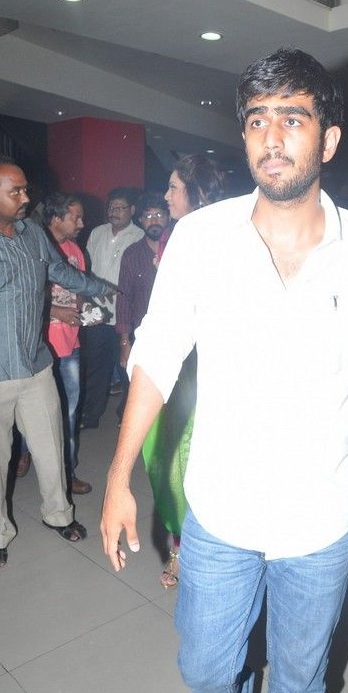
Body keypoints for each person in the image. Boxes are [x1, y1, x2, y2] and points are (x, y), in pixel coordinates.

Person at [101, 48, 348, 693]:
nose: (272, 137)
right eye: (257, 120)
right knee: (205, 667)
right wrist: (118, 476)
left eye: (292, 118)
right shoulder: (200, 239)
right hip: (221, 509)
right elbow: (157, 355)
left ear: (328, 140)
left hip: (322, 516)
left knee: (301, 684)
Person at [0, 156, 113, 569]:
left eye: (25, 189)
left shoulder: (33, 232)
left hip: (35, 367)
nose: (25, 198)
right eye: (15, 191)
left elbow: (60, 271)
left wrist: (101, 286)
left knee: (51, 447)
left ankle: (58, 515)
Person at [141, 156, 226, 587]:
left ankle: (196, 550)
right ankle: (182, 545)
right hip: (176, 362)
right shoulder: (176, 236)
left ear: (195, 191)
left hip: (208, 364)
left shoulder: (226, 234)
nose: (166, 195)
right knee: (167, 454)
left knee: (191, 455)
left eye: (173, 187)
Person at [43, 191, 94, 494]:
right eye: (76, 217)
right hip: (40, 348)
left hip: (70, 346)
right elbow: (25, 296)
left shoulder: (76, 250)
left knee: (70, 413)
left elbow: (80, 293)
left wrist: (87, 310)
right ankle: (24, 452)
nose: (81, 223)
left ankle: (67, 471)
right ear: (56, 217)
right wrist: (56, 311)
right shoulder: (35, 247)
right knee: (34, 412)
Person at [79, 187, 143, 429]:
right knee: (95, 368)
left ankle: (126, 415)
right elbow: (87, 268)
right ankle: (90, 415)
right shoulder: (97, 232)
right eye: (111, 207)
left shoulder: (139, 236)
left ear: (132, 210)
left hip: (125, 315)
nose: (114, 212)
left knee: (127, 370)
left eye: (120, 208)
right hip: (97, 314)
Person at [116, 191, 169, 400]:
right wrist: (124, 343)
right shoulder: (132, 254)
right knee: (141, 394)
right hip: (143, 337)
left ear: (168, 217)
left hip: (176, 335)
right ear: (140, 220)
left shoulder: (179, 249)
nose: (154, 221)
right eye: (148, 216)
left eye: (159, 215)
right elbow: (124, 299)